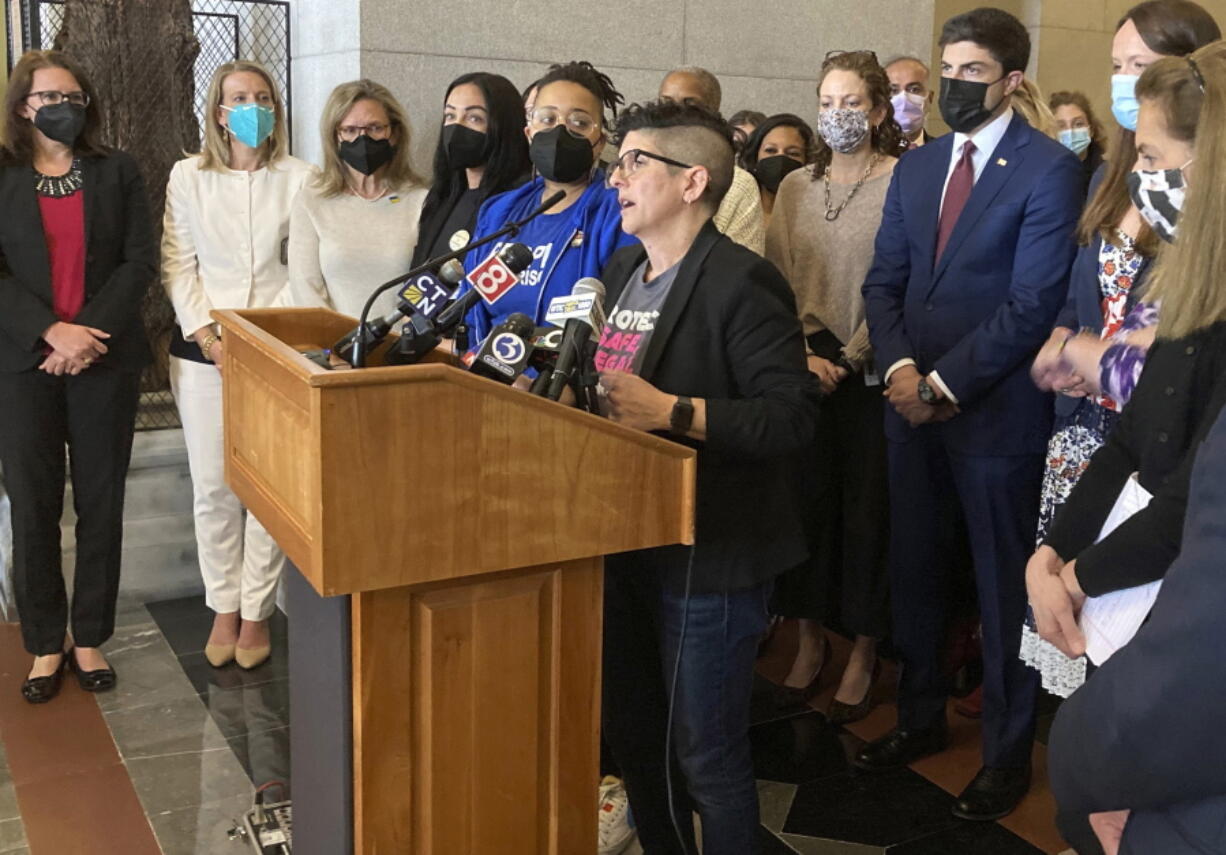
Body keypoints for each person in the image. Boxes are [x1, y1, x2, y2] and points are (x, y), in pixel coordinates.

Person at [858, 8, 1083, 821]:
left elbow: (1032, 305)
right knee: (915, 571)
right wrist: (901, 369)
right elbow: (884, 283)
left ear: (1012, 80)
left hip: (994, 417)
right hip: (907, 404)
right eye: (946, 68)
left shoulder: (1048, 169)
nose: (953, 85)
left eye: (972, 73)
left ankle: (1005, 753)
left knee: (1000, 589)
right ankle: (917, 718)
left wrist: (944, 384)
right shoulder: (917, 170)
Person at [598, 98, 820, 855]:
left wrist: (673, 411)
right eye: (617, 162)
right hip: (623, 537)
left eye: (635, 163)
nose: (617, 178)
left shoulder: (742, 281)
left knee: (708, 756)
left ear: (692, 181)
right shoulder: (624, 268)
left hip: (712, 554)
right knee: (639, 741)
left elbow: (790, 418)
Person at [1029, 46, 1226, 853]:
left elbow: (1190, 497)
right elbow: (1130, 434)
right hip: (1124, 589)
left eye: (1149, 156)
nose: (1136, 174)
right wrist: (1052, 550)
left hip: (1170, 613)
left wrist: (1075, 578)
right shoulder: (1178, 278)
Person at [0, 50, 155, 702]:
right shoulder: (1, 175)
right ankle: (44, 641)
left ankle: (89, 635)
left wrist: (86, 334)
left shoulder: (117, 170)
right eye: (47, 95)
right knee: (34, 506)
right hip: (22, 361)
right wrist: (50, 332)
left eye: (73, 94)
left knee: (101, 503)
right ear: (21, 107)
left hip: (103, 358)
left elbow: (138, 260)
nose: (62, 105)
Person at [764, 50, 901, 725]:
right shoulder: (794, 187)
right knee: (804, 507)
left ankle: (864, 651)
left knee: (867, 513)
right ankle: (811, 638)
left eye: (852, 103)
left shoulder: (902, 182)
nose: (838, 115)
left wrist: (853, 355)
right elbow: (775, 280)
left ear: (877, 111)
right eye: (828, 101)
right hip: (805, 363)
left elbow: (899, 282)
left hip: (872, 368)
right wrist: (800, 352)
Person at [162, 60, 313, 670]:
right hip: (204, 352)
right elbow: (178, 263)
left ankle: (255, 613)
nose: (251, 106)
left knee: (269, 488)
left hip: (274, 350)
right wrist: (210, 336)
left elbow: (302, 268)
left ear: (275, 107)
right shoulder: (188, 176)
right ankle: (222, 605)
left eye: (262, 96)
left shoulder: (301, 178)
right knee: (214, 487)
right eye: (238, 98)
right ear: (219, 112)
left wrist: (261, 341)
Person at [461, 61, 635, 346]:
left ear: (600, 142)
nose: (560, 131)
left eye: (579, 123)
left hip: (565, 384)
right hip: (485, 380)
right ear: (529, 133)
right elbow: (471, 310)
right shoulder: (498, 212)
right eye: (548, 119)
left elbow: (623, 322)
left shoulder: (617, 212)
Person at [287, 80, 426, 318]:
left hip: (405, 349)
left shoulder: (421, 199)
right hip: (336, 348)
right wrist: (337, 348)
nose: (363, 139)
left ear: (393, 133)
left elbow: (426, 287)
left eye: (374, 128)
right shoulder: (311, 200)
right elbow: (305, 288)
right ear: (335, 136)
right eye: (350, 130)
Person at [412, 72, 530, 267]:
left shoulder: (522, 201)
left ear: (502, 126)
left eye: (474, 118)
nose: (457, 127)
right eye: (450, 115)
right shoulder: (442, 196)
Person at [659, 67, 765, 253]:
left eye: (689, 103)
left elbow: (742, 268)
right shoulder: (637, 171)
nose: (674, 112)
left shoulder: (739, 185)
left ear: (713, 111)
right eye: (665, 102)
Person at [738, 113, 814, 222]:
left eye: (793, 153)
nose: (780, 159)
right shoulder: (736, 210)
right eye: (770, 150)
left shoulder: (815, 217)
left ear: (807, 161)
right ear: (755, 157)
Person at [1050, 90, 1108, 191]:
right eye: (1061, 126)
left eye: (1078, 124)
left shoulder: (1106, 174)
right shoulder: (1043, 176)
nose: (1070, 131)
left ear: (1091, 130)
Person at [885, 55, 934, 148]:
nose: (903, 98)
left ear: (930, 98)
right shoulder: (865, 154)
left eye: (914, 89)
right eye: (893, 91)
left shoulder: (948, 154)